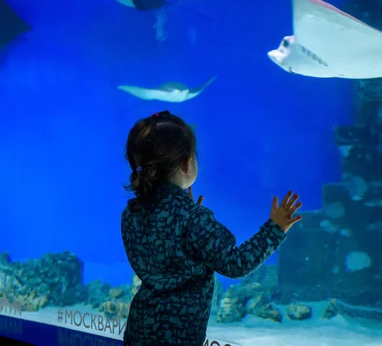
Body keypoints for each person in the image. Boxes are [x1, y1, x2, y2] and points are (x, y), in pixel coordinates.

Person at [121, 110, 303, 346]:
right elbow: (235, 264)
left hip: (138, 330)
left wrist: (186, 216)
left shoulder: (131, 213)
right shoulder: (193, 218)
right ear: (188, 163)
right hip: (178, 337)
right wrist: (275, 228)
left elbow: (162, 252)